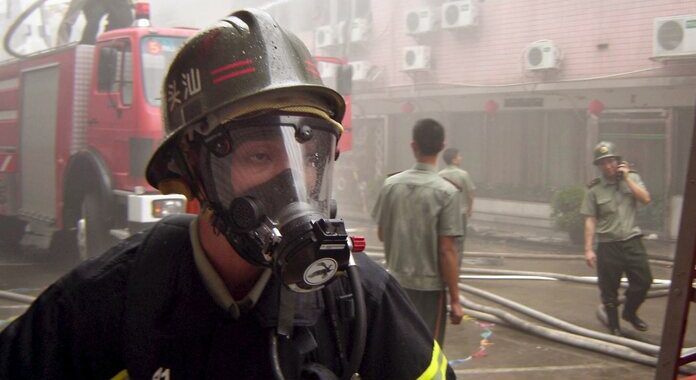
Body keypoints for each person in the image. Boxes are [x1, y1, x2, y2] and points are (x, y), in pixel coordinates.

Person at [1, 9, 455, 380]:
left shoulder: (359, 298)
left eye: (309, 157)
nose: (292, 184)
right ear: (194, 172)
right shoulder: (107, 299)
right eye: (259, 156)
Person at [371, 118, 465, 346]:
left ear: (413, 146)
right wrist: (455, 299)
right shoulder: (448, 193)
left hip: (393, 284)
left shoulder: (391, 185)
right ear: (442, 147)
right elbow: (447, 251)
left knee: (395, 348)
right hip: (429, 290)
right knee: (426, 351)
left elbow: (382, 234)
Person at [580, 141, 653, 336]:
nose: (607, 166)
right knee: (609, 290)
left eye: (611, 161)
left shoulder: (633, 178)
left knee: (644, 282)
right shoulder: (594, 189)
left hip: (632, 241)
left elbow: (645, 199)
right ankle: (614, 327)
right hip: (608, 245)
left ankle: (630, 312)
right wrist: (588, 249)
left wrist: (627, 178)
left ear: (618, 161)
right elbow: (590, 219)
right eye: (602, 163)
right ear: (599, 166)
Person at [439, 147, 476, 267]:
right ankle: (456, 270)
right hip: (461, 213)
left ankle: (444, 269)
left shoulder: (440, 175)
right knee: (459, 243)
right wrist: (470, 209)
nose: (461, 158)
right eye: (459, 156)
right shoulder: (463, 174)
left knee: (445, 242)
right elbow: (470, 194)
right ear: (454, 160)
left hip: (445, 214)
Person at [57, 0, 133, 45]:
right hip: (93, 7)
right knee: (93, 21)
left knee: (124, 17)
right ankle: (87, 43)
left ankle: (108, 39)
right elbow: (68, 21)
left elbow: (126, 14)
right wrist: (61, 45)